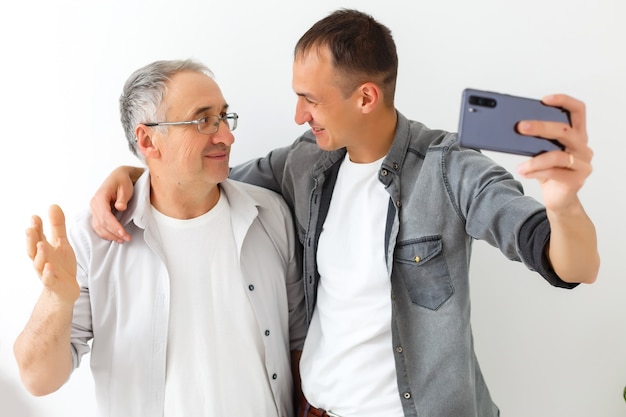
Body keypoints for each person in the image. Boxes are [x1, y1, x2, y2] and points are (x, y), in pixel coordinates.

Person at [89, 9, 600, 417]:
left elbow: (572, 266)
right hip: (318, 410)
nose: (298, 115)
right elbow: (198, 176)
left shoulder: (449, 170)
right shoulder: (305, 162)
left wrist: (563, 202)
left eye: (309, 99)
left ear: (365, 97)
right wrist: (130, 172)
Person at [14, 59, 307, 417]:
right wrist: (56, 299)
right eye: (203, 121)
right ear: (148, 139)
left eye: (224, 117)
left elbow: (299, 341)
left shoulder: (270, 216)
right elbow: (37, 380)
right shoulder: (95, 239)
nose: (226, 136)